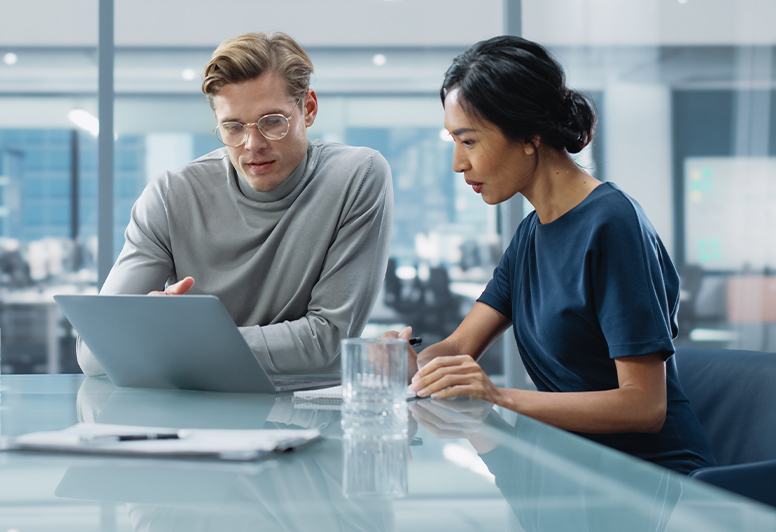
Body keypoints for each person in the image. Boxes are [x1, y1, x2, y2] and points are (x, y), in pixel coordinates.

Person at [391, 36, 714, 474]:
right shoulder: (531, 234)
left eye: (468, 142)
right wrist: (410, 363)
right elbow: (458, 348)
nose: (457, 164)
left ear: (528, 135)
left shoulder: (612, 224)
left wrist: (499, 397)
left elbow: (645, 405)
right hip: (572, 466)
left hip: (652, 478)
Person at [77, 32, 394, 376]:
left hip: (308, 413)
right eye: (233, 127)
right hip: (194, 417)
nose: (252, 144)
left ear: (309, 109)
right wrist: (157, 331)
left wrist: (174, 342)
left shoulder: (357, 177)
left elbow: (328, 341)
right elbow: (93, 352)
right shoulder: (170, 196)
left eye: (272, 121)